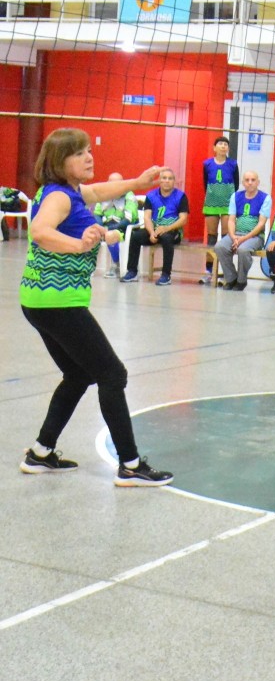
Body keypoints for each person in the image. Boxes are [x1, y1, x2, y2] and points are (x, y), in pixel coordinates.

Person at [19, 128, 173, 486]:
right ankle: (130, 465)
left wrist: (138, 182)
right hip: (58, 302)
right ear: (60, 161)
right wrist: (79, 244)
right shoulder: (60, 197)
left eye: (89, 150)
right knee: (112, 375)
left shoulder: (67, 191)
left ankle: (40, 452)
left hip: (39, 300)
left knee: (78, 374)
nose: (89, 157)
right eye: (79, 153)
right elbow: (39, 231)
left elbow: (99, 191)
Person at [120, 168, 189, 286]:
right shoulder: (151, 196)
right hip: (155, 229)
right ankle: (132, 271)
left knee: (167, 238)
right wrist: (151, 232)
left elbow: (183, 219)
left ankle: (166, 275)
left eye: (170, 178)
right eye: (164, 178)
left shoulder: (181, 196)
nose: (167, 181)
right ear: (160, 181)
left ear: (174, 181)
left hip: (173, 230)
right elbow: (147, 217)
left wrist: (166, 228)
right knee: (136, 236)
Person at [213, 170, 270, 291]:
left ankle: (241, 280)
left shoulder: (265, 198)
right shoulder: (235, 196)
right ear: (243, 182)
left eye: (253, 180)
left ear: (258, 182)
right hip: (236, 234)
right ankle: (231, 278)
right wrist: (233, 236)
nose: (250, 183)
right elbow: (231, 220)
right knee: (220, 247)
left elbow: (261, 224)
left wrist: (244, 238)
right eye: (247, 180)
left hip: (255, 237)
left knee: (243, 250)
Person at [200, 136, 239, 284]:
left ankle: (225, 272)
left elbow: (236, 185)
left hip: (228, 203)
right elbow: (205, 182)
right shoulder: (207, 164)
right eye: (220, 144)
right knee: (211, 237)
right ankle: (209, 271)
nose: (223, 146)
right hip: (211, 202)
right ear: (214, 148)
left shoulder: (233, 164)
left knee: (226, 237)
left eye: (225, 144)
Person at [93, 172, 138, 278]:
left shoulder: (129, 196)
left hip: (124, 227)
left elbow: (128, 220)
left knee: (109, 235)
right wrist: (99, 227)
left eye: (118, 183)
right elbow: (97, 214)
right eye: (111, 183)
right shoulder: (103, 195)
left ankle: (116, 265)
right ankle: (87, 267)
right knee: (89, 234)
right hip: (106, 226)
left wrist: (107, 229)